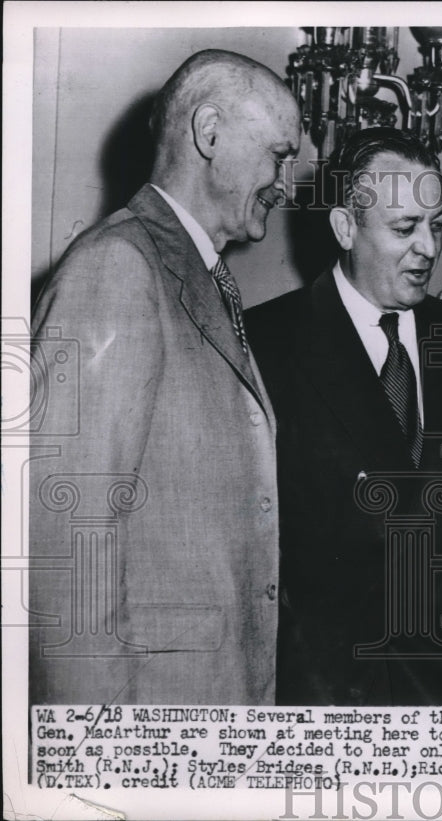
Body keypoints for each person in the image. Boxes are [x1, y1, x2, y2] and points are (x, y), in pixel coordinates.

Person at [29, 49, 301, 704]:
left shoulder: (205, 277)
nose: (288, 184)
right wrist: (99, 766)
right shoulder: (117, 269)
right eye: (280, 155)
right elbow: (67, 554)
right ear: (209, 133)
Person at [245, 128, 442, 706]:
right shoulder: (266, 342)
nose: (428, 248)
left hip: (440, 690)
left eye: (437, 224)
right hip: (320, 689)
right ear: (345, 228)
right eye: (405, 228)